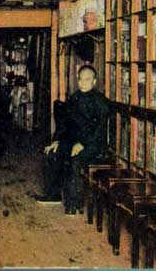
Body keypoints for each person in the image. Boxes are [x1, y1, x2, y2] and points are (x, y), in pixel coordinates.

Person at [36, 64, 109, 216]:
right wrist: (56, 140)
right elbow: (64, 123)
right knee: (51, 153)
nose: (83, 83)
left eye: (87, 79)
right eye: (80, 79)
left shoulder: (101, 101)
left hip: (94, 144)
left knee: (74, 159)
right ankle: (53, 195)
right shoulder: (74, 98)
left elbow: (99, 130)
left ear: (94, 81)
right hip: (74, 142)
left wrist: (83, 144)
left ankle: (73, 204)